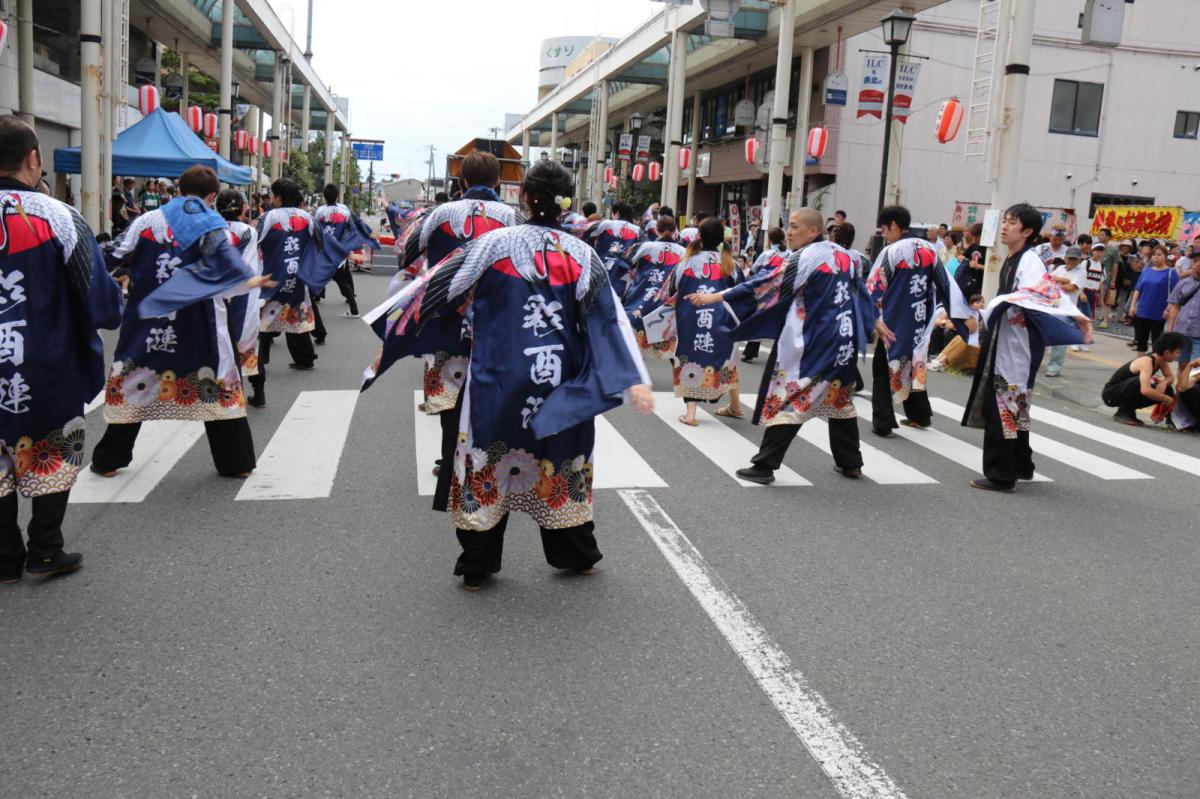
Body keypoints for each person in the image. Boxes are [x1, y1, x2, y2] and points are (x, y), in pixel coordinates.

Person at [362, 160, 653, 591]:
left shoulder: (490, 246)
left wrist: (394, 336)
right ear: (564, 203)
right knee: (563, 461)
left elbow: (434, 288)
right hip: (559, 382)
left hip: (496, 378)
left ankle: (477, 564)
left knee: (485, 458)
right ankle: (576, 554)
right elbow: (608, 319)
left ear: (525, 197)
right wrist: (635, 378)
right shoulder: (581, 254)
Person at [0, 117, 123, 581]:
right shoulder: (56, 216)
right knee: (51, 448)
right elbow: (98, 298)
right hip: (46, 364)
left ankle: (4, 556)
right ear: (33, 159)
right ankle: (46, 548)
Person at [91, 166, 271, 479]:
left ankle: (109, 459)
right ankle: (236, 462)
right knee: (218, 381)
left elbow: (112, 257)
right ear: (211, 196)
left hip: (149, 321)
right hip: (203, 323)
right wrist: (252, 282)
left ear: (178, 189)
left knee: (137, 379)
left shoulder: (146, 221)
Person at [689, 208, 866, 482]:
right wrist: (874, 323)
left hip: (816, 339)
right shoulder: (846, 256)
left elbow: (763, 285)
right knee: (839, 398)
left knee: (790, 397)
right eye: (789, 226)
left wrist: (716, 298)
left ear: (813, 231)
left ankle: (765, 465)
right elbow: (860, 294)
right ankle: (850, 461)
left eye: (795, 227)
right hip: (843, 338)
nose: (789, 232)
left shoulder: (805, 257)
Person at [396, 151, 520, 478]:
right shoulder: (513, 218)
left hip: (444, 317)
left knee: (450, 394)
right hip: (498, 322)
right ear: (498, 180)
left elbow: (405, 253)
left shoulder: (439, 214)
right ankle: (489, 460)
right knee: (494, 393)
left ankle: (450, 459)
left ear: (461, 181)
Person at [962, 203, 1091, 492]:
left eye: (1012, 222)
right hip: (1011, 341)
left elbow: (1039, 293)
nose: (1005, 227)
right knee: (1015, 405)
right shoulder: (1014, 258)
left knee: (1005, 405)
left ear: (1028, 231)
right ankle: (1021, 465)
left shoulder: (1029, 260)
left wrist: (995, 305)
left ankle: (1002, 474)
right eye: (1005, 221)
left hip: (1018, 345)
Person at [249, 178, 348, 405]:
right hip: (297, 276)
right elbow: (323, 242)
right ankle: (304, 359)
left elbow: (251, 240)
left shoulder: (267, 217)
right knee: (297, 319)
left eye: (273, 195)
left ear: (278, 197)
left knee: (263, 320)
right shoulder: (308, 218)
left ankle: (260, 362)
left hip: (271, 276)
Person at [866, 205, 950, 436]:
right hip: (921, 322)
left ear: (893, 225)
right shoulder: (929, 250)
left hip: (893, 323)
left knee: (883, 369)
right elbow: (944, 284)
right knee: (916, 366)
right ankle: (919, 414)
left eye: (884, 230)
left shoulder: (890, 252)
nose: (884, 235)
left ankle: (883, 422)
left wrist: (873, 317)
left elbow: (874, 288)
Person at [660, 217, 743, 425]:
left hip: (690, 321)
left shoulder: (685, 262)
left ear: (699, 236)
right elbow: (744, 293)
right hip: (723, 321)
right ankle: (735, 406)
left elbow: (669, 291)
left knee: (690, 360)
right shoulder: (731, 265)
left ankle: (690, 414)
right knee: (727, 361)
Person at [215, 189, 267, 407]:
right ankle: (257, 391)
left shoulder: (211, 231)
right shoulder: (249, 231)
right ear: (242, 208)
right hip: (245, 294)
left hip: (217, 292)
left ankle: (227, 393)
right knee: (247, 344)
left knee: (220, 342)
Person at [622, 214, 685, 361]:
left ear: (656, 230)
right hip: (667, 307)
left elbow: (623, 262)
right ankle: (686, 380)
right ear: (675, 230)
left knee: (634, 347)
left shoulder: (643, 247)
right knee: (673, 347)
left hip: (639, 302)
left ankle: (634, 379)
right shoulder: (684, 252)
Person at [314, 183, 378, 319]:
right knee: (341, 280)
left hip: (324, 251)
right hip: (339, 250)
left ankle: (314, 305)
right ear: (337, 196)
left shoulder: (319, 212)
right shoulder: (344, 210)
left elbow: (315, 231)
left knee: (316, 276)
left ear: (324, 196)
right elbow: (353, 228)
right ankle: (353, 308)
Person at [1102, 332, 1185, 425]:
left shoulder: (1162, 360)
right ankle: (1123, 411)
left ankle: (1130, 412)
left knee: (1168, 390)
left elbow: (1170, 377)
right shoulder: (1147, 361)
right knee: (1140, 382)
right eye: (1178, 352)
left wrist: (1164, 383)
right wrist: (1166, 399)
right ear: (1167, 352)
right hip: (1111, 394)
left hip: (1125, 390)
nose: (1179, 355)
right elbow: (1145, 390)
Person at [741, 226, 788, 362]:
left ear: (770, 241)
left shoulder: (766, 255)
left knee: (758, 320)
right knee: (782, 323)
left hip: (765, 294)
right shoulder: (789, 254)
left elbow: (753, 271)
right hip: (782, 292)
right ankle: (780, 356)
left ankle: (750, 353)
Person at [1044, 245, 1088, 377]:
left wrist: (1056, 283)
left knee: (1059, 340)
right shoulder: (1060, 268)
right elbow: (1046, 280)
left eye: (1074, 259)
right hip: (1051, 305)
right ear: (1065, 257)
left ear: (1079, 260)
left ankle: (1054, 368)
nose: (1071, 261)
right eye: (1069, 258)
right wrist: (1062, 280)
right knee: (1041, 334)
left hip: (1065, 308)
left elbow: (1072, 287)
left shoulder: (1081, 272)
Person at [1129, 244, 1179, 353]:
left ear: (1165, 256)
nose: (1156, 257)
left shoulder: (1172, 272)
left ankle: (1155, 366)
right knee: (1141, 342)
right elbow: (1138, 289)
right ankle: (1140, 366)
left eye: (1159, 255)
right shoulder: (1146, 271)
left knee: (1157, 343)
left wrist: (1168, 309)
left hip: (1159, 313)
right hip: (1142, 311)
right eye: (1154, 255)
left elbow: (1175, 294)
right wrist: (1133, 306)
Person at [585, 201, 643, 285]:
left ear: (617, 213)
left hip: (599, 270)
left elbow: (585, 233)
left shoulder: (606, 224)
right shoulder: (639, 232)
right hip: (622, 276)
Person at [928, 294, 986, 373]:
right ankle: (938, 360)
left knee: (963, 339)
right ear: (971, 304)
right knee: (958, 337)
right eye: (978, 302)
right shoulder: (965, 312)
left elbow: (964, 327)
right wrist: (945, 322)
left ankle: (941, 362)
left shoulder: (984, 316)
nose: (981, 304)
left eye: (982, 302)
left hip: (979, 348)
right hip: (970, 343)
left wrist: (947, 323)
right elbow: (935, 321)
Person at [1166, 256, 1200, 364]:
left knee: (1196, 369)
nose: (1198, 264)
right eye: (1195, 262)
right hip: (1181, 330)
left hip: (1198, 334)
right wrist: (1170, 330)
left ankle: (1191, 382)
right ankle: (1181, 382)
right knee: (1182, 365)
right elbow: (1175, 307)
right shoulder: (1183, 283)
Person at [955, 222, 987, 299]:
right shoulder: (973, 246)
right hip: (970, 283)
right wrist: (960, 258)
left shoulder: (989, 249)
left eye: (977, 237)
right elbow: (963, 256)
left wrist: (978, 266)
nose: (975, 239)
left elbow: (993, 270)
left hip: (982, 284)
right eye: (974, 236)